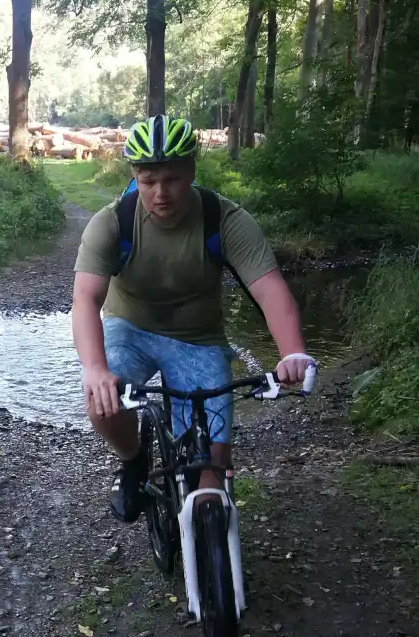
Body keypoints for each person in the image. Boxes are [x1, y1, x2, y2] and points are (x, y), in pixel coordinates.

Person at [71, 114, 315, 523]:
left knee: (212, 474)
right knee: (103, 405)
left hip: (198, 339)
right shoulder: (113, 221)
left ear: (192, 170)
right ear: (135, 175)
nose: (160, 193)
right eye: (148, 181)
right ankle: (133, 461)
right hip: (128, 329)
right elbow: (85, 299)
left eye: (173, 179)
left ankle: (213, 553)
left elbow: (271, 290)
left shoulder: (226, 220)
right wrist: (95, 369)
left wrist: (293, 353)